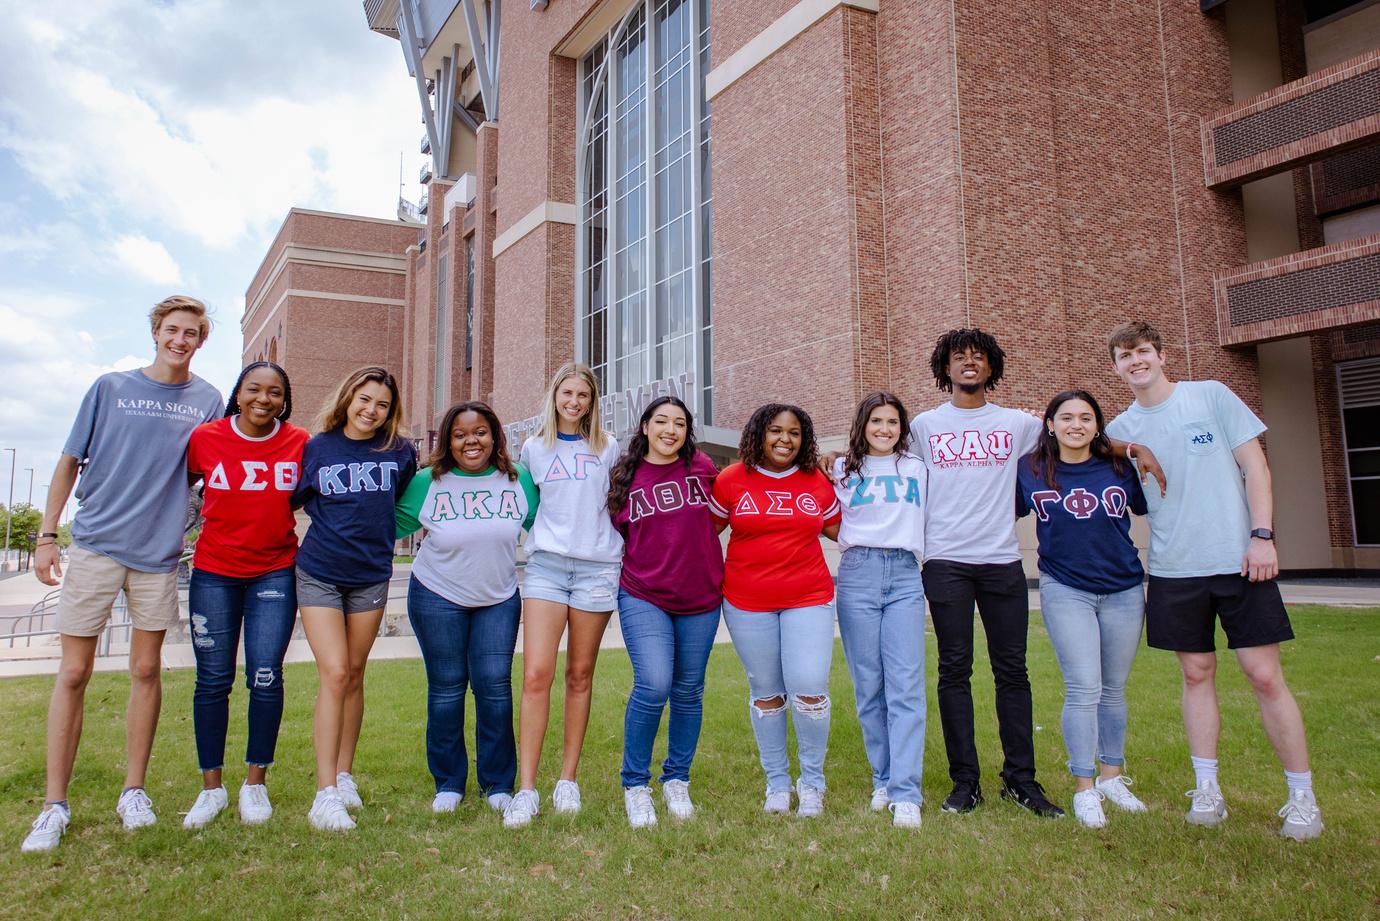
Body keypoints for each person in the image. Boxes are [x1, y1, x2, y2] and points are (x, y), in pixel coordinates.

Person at [911, 328, 1162, 820]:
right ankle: (965, 783)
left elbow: (1079, 434)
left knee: (1013, 672)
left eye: (978, 357)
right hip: (945, 561)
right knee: (954, 671)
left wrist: (1134, 449)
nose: (968, 363)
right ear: (945, 367)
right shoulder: (924, 426)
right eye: (959, 357)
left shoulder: (1019, 424)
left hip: (1002, 560)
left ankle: (1020, 780)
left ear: (992, 367)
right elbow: (885, 455)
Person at [1105, 320, 1322, 840]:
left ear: (1161, 355)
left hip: (1240, 560)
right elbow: (1074, 440)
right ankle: (1207, 790)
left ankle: (1302, 797)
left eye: (1143, 351)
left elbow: (1255, 467)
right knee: (1196, 674)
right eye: (1125, 356)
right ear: (1116, 368)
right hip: (1174, 568)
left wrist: (1262, 536)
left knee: (1264, 675)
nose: (1136, 361)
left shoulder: (1210, 396)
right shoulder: (1120, 429)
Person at [22, 295, 224, 853]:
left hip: (158, 557)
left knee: (145, 669)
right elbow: (69, 461)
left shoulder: (208, 400)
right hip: (96, 547)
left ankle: (134, 791)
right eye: (172, 330)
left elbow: (211, 473)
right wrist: (46, 536)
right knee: (73, 672)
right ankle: (54, 805)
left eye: (191, 333)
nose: (180, 340)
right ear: (156, 332)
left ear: (201, 340)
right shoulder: (109, 388)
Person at [181, 362, 309, 829]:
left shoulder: (299, 443)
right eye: (254, 389)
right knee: (213, 680)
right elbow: (182, 486)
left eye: (275, 392)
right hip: (214, 572)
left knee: (266, 676)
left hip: (274, 571)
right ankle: (211, 788)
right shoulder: (206, 438)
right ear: (238, 393)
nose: (263, 399)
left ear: (284, 400)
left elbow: (301, 495)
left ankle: (255, 783)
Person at [395, 401, 537, 816]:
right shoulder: (428, 481)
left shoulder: (518, 479)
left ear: (494, 436)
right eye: (460, 435)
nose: (470, 441)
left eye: (479, 433)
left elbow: (550, 525)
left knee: (495, 687)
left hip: (498, 598)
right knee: (446, 688)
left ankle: (497, 783)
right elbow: (385, 525)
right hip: (437, 595)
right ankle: (449, 782)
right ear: (448, 440)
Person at [1016, 390, 1149, 829]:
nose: (1077, 425)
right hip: (1065, 587)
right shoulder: (1030, 468)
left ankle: (1112, 777)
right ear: (1050, 424)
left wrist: (1136, 449)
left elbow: (1151, 503)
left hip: (1124, 587)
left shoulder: (1118, 467)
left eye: (1086, 418)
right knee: (1083, 686)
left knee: (1114, 689)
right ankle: (1084, 787)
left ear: (1097, 426)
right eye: (1067, 417)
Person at [293, 367, 417, 831]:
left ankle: (344, 775)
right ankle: (324, 794)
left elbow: (400, 502)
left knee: (356, 673)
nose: (371, 410)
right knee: (336, 672)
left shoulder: (400, 451)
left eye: (382, 404)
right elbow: (294, 499)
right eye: (364, 399)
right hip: (320, 572)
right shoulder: (317, 448)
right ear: (347, 398)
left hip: (370, 576)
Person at [504, 363, 623, 828]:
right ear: (554, 396)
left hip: (596, 568)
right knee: (536, 674)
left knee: (579, 675)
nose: (574, 402)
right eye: (567, 393)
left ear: (593, 402)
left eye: (583, 395)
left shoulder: (608, 447)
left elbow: (615, 504)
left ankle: (567, 781)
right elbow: (528, 507)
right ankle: (527, 789)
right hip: (547, 568)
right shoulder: (534, 448)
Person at [709, 403, 841, 818]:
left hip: (809, 597)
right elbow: (703, 534)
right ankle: (778, 784)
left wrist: (847, 466)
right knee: (767, 695)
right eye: (776, 431)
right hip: (747, 602)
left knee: (810, 689)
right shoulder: (731, 480)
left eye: (794, 433)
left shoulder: (816, 480)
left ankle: (812, 784)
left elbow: (844, 530)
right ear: (759, 434)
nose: (785, 439)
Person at [608, 396, 723, 828]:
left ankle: (677, 778)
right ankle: (635, 785)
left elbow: (725, 510)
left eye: (679, 423)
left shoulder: (702, 467)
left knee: (689, 690)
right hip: (644, 594)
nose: (670, 430)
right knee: (654, 683)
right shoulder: (624, 474)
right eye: (661, 421)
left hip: (701, 597)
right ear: (645, 426)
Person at [830, 391, 927, 829]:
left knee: (906, 686)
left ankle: (906, 792)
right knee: (869, 686)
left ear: (901, 428)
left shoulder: (917, 468)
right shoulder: (841, 469)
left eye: (892, 422)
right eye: (876, 421)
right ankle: (883, 779)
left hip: (905, 574)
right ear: (862, 425)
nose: (884, 429)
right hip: (858, 573)